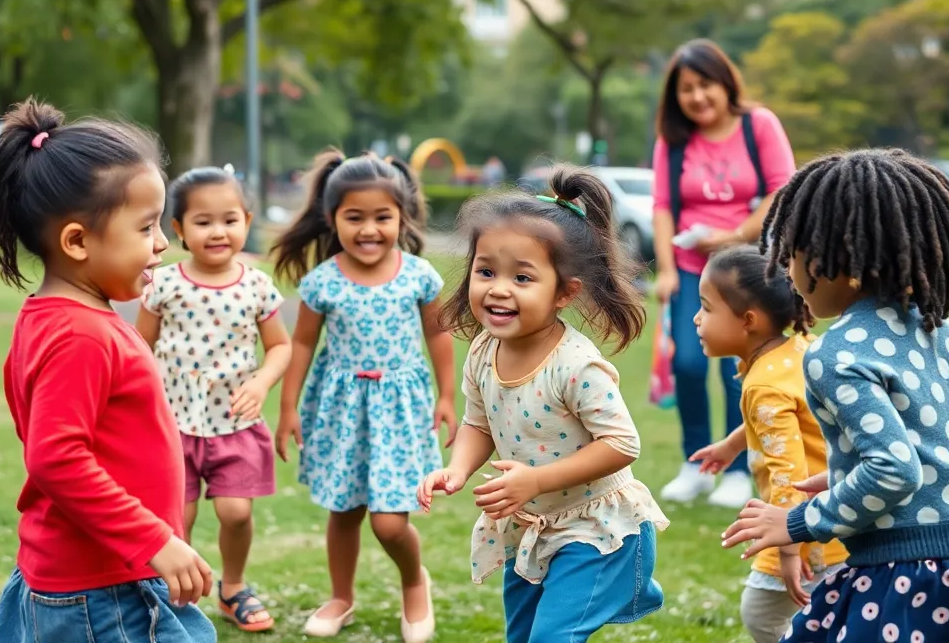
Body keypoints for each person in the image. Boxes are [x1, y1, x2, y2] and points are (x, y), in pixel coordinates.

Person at [723, 149, 949, 643]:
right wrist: (844, 475)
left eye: (791, 253)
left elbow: (894, 470)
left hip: (905, 578)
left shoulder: (835, 353)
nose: (789, 272)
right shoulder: (936, 326)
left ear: (829, 259)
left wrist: (798, 521)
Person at [0, 100, 215, 643]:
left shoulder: (56, 319)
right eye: (145, 227)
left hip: (96, 576)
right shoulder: (80, 335)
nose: (162, 243)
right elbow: (55, 456)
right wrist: (152, 539)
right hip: (105, 589)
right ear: (77, 241)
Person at [418, 165, 669, 643]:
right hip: (531, 525)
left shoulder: (575, 365)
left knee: (551, 638)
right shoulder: (483, 350)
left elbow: (621, 444)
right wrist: (457, 469)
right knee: (525, 636)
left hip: (597, 530)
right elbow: (478, 423)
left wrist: (535, 479)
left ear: (564, 292)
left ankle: (630, 577)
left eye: (522, 277)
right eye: (486, 271)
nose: (498, 288)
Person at [272, 151, 455, 642]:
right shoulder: (323, 282)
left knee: (390, 522)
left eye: (382, 217)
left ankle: (414, 583)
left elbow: (438, 336)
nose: (369, 229)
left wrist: (447, 396)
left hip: (400, 407)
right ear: (333, 219)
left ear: (402, 217)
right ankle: (341, 596)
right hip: (341, 409)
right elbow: (304, 343)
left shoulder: (418, 276)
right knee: (344, 511)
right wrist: (288, 408)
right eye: (355, 217)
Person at [136, 166, 292, 633]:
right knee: (174, 519)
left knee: (235, 511)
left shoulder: (257, 286)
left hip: (235, 423)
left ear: (246, 220)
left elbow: (280, 347)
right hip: (173, 424)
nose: (218, 231)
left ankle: (233, 587)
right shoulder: (164, 283)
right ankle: (168, 593)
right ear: (179, 230)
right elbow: (139, 348)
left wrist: (263, 382)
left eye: (229, 219)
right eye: (203, 222)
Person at [651, 39, 797, 508]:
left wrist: (735, 232)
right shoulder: (672, 142)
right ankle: (695, 464)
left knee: (745, 367)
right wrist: (668, 270)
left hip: (750, 269)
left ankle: (738, 468)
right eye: (686, 89)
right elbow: (661, 207)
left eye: (704, 85)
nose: (697, 97)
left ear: (725, 82)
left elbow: (783, 188)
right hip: (694, 271)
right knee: (689, 364)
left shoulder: (760, 125)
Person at [688, 246, 847, 643]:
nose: (696, 319)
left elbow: (787, 472)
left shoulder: (764, 385)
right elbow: (789, 419)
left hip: (802, 532)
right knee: (826, 615)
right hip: (839, 516)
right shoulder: (798, 349)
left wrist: (789, 549)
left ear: (748, 321)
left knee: (761, 614)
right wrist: (731, 444)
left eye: (706, 308)